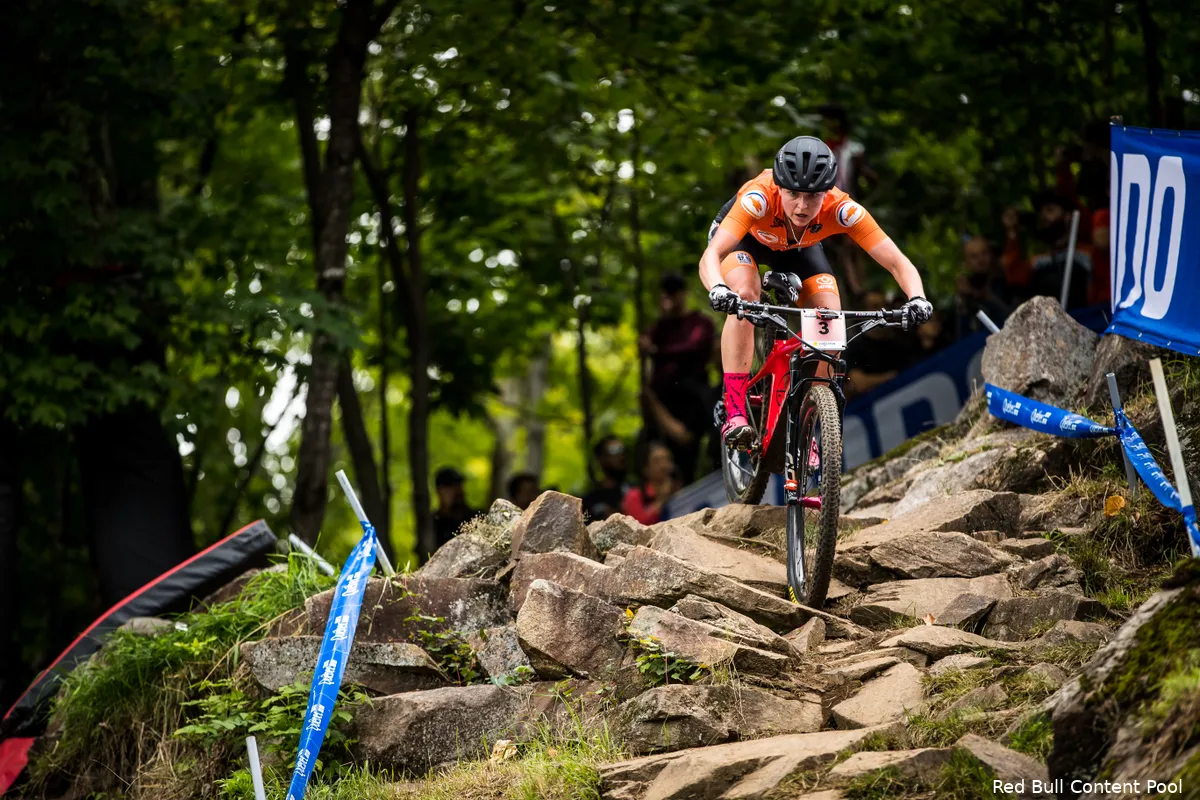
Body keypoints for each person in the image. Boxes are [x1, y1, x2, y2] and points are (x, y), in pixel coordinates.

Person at [699, 136, 932, 446]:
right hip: (746, 241)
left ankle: (808, 422)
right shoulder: (758, 199)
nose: (802, 206)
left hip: (800, 248)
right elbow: (711, 256)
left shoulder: (842, 209)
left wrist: (917, 298)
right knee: (745, 295)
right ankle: (735, 407)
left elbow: (897, 262)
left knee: (830, 319)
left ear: (827, 192)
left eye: (813, 196)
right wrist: (717, 289)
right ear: (779, 186)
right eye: (793, 193)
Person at [640, 273, 715, 483]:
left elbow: (694, 347)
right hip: (662, 400)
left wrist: (657, 351)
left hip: (692, 398)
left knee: (688, 452)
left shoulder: (700, 323)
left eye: (674, 293)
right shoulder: (659, 327)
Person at [1002, 192, 1093, 310]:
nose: (1044, 216)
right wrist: (1012, 234)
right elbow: (1016, 279)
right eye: (1041, 212)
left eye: (1050, 210)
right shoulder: (1038, 261)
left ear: (1068, 216)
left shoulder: (1087, 254)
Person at [953, 236, 1012, 339]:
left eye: (984, 253)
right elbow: (961, 335)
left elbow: (1012, 316)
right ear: (966, 262)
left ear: (991, 255)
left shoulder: (1007, 281)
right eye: (974, 256)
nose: (980, 260)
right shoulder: (965, 291)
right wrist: (963, 300)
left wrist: (988, 298)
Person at [621, 441, 681, 525]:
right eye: (656, 461)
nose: (663, 466)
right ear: (646, 469)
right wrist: (661, 500)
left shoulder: (678, 489)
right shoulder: (634, 495)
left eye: (667, 459)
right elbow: (639, 525)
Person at [431, 466, 481, 553]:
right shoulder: (432, 523)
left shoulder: (476, 518)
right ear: (439, 491)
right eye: (451, 487)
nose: (458, 490)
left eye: (459, 485)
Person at [581, 435, 630, 521]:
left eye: (622, 450)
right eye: (613, 450)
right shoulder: (590, 499)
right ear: (601, 458)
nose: (620, 455)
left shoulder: (635, 490)